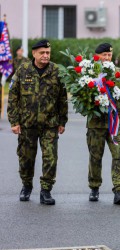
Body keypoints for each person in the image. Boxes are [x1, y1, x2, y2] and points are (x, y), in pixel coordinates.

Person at [7, 39, 68, 205]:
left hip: (50, 123)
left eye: (48, 52)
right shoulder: (23, 70)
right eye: (42, 52)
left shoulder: (56, 71)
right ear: (34, 53)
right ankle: (26, 186)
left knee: (50, 158)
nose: (46, 55)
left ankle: (46, 190)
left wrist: (63, 120)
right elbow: (13, 97)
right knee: (26, 158)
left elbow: (62, 98)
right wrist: (14, 121)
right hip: (27, 124)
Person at [86, 43, 120, 204]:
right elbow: (83, 97)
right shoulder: (89, 73)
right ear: (97, 56)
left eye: (109, 55)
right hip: (95, 123)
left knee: (118, 155)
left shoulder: (119, 74)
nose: (107, 58)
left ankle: (119, 190)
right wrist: (96, 104)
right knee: (95, 156)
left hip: (115, 123)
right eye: (104, 55)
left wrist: (114, 107)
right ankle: (94, 187)